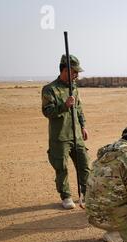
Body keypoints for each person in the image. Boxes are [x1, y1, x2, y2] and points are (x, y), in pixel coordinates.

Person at [42, 54, 90, 209]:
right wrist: (64, 105)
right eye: (74, 71)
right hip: (60, 136)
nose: (77, 75)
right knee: (61, 168)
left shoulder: (74, 88)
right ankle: (66, 196)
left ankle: (86, 194)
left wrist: (83, 126)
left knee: (84, 165)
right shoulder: (50, 89)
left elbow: (79, 110)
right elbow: (47, 112)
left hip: (76, 134)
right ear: (65, 70)